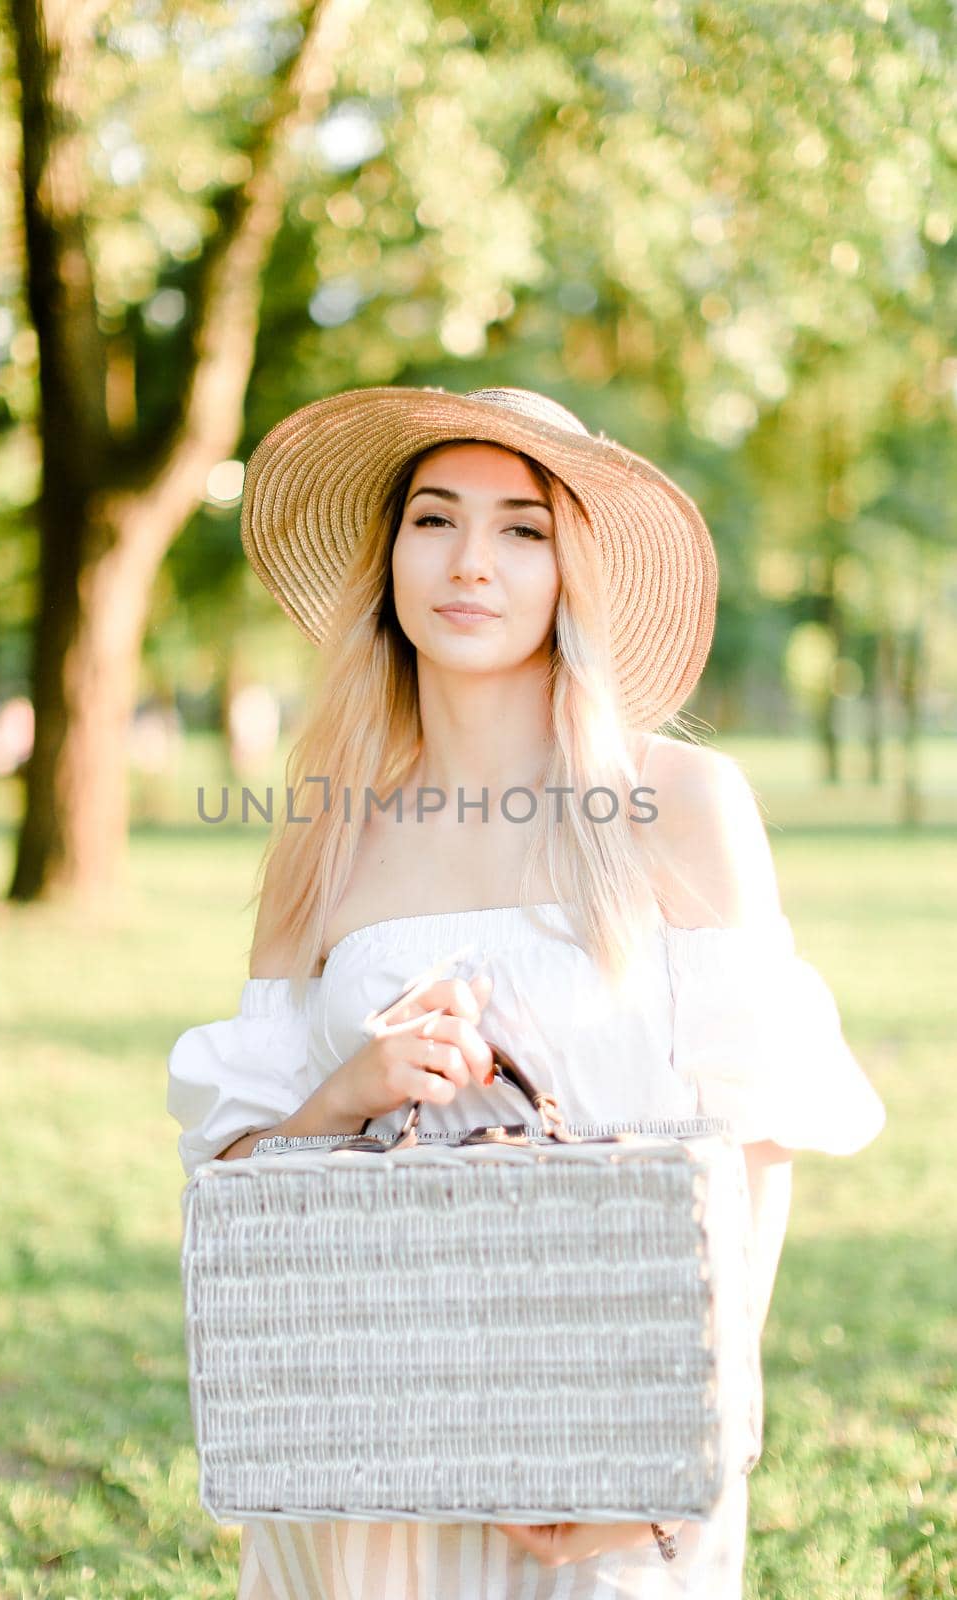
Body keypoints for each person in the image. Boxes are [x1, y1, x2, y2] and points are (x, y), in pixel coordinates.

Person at [167, 385, 887, 1599]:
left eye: (521, 529)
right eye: (433, 519)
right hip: (372, 1446)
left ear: (570, 574)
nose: (468, 563)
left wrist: (689, 1442)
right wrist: (343, 1091)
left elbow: (756, 1145)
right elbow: (237, 1191)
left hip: (610, 1437)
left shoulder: (679, 805)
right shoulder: (326, 834)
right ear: (389, 556)